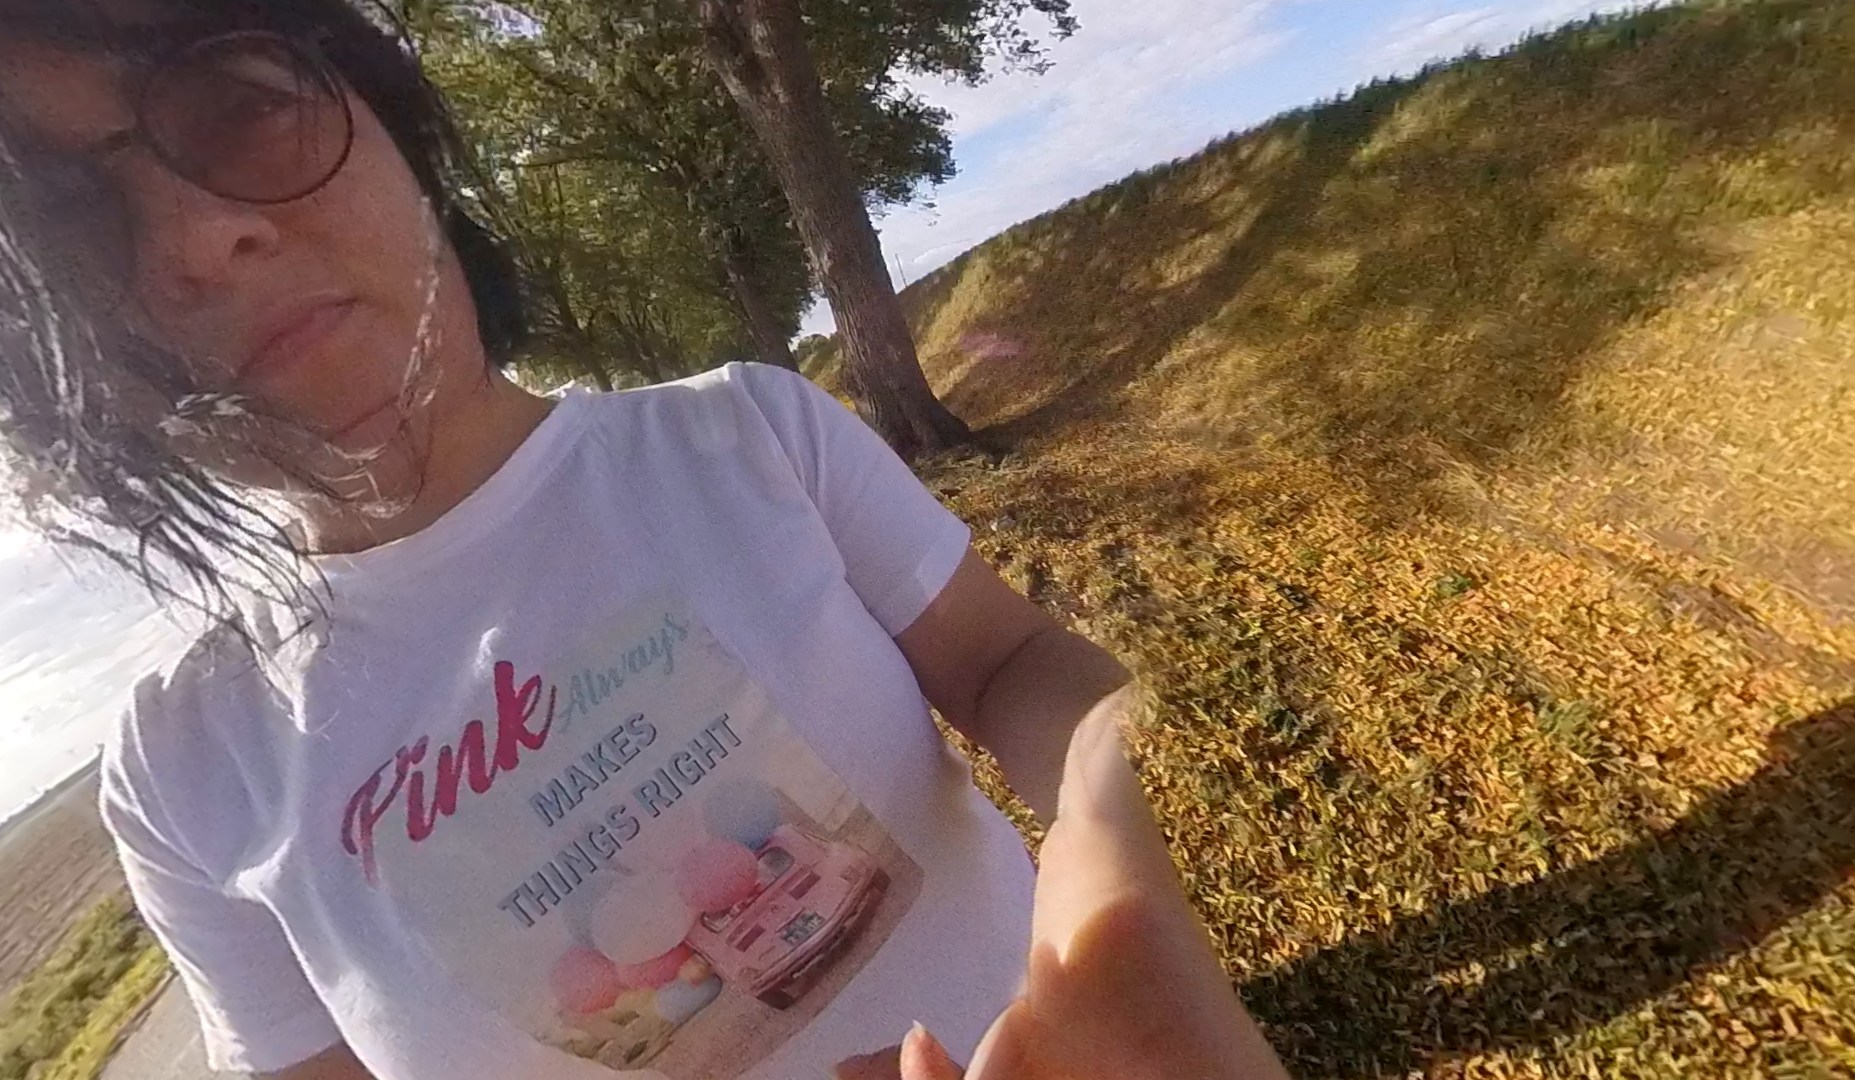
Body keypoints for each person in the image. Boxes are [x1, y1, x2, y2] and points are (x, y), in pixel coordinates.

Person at [0, 2, 1283, 1078]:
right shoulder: (179, 776)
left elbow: (1010, 663)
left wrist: (1109, 851)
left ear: (396, 130)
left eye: (239, 105)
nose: (193, 241)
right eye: (66, 225)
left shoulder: (749, 437)